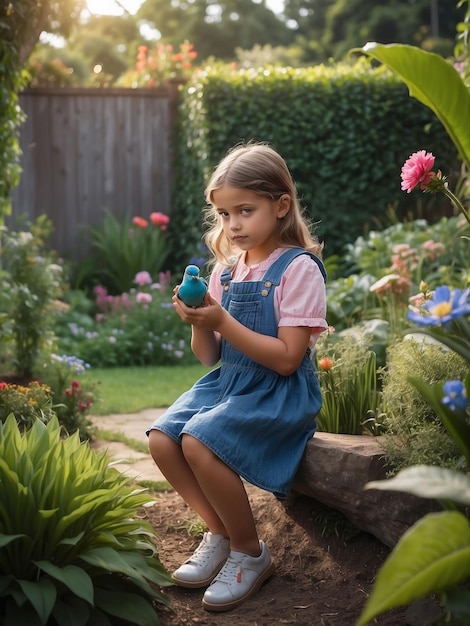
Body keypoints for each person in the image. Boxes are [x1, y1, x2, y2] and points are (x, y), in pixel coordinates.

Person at [147, 142, 328, 612]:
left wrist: (223, 322)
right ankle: (222, 534)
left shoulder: (297, 269)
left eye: (245, 211)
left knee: (198, 440)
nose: (234, 225)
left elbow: (288, 358)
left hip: (278, 389)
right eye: (225, 215)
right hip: (230, 381)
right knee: (163, 439)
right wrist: (198, 322)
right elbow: (209, 356)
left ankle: (251, 552)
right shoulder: (226, 272)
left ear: (281, 205)